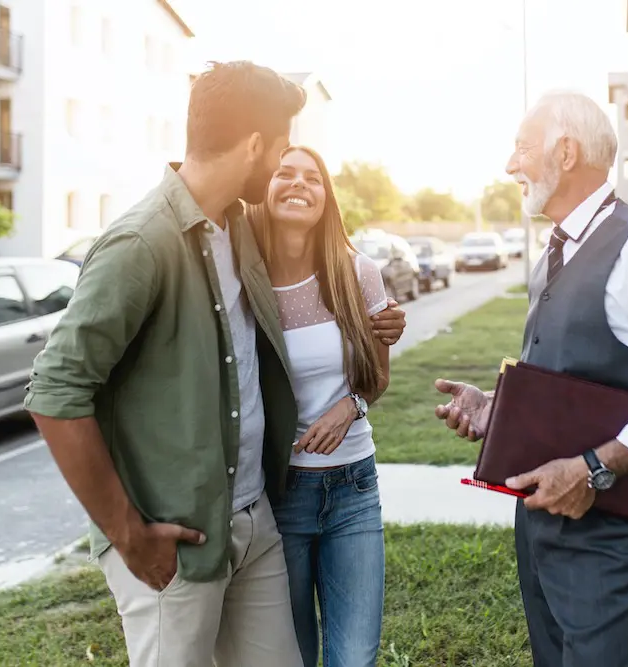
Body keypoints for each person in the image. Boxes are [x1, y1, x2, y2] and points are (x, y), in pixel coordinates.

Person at [24, 61, 406, 667]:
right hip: (177, 539)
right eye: (281, 148)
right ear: (257, 145)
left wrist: (376, 330)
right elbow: (55, 391)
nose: (285, 162)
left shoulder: (234, 230)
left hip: (256, 520)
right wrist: (127, 532)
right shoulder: (142, 243)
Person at [434, 91, 628, 667]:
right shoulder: (552, 253)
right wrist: (499, 404)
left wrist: (592, 469)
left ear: (565, 152)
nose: (510, 165)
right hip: (539, 526)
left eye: (522, 148)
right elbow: (576, 373)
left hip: (606, 539)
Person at [244, 145, 391, 667]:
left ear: (327, 197)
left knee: (354, 658)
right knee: (294, 655)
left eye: (312, 177)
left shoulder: (357, 271)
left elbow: (377, 377)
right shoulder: (243, 280)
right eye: (285, 173)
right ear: (264, 188)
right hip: (279, 493)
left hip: (353, 487)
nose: (298, 184)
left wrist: (350, 405)